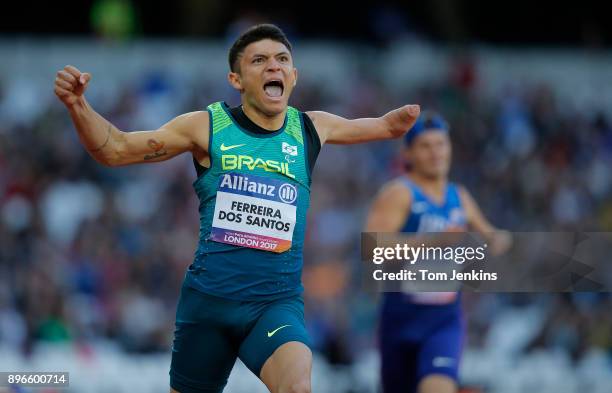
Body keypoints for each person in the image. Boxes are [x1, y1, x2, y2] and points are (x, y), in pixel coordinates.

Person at [54, 24, 420, 393]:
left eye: (282, 60)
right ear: (236, 78)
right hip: (209, 305)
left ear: (294, 77)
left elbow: (381, 127)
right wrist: (78, 105)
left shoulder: (310, 129)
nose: (273, 67)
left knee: (297, 387)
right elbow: (115, 149)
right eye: (259, 60)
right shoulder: (207, 126)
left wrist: (398, 123)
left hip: (274, 305)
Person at [365, 111, 511, 393]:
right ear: (409, 153)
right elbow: (372, 247)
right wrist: (431, 242)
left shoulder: (460, 197)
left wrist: (498, 241)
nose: (435, 153)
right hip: (400, 318)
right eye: (426, 146)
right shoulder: (399, 193)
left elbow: (492, 235)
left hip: (444, 320)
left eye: (441, 144)